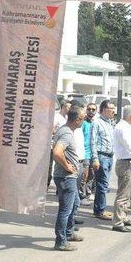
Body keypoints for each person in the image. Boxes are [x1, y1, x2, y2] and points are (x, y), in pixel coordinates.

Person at [51, 106, 85, 251]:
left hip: (68, 177)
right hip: (66, 177)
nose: (83, 121)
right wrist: (67, 166)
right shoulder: (66, 133)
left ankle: (69, 233)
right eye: (82, 118)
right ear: (77, 120)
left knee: (75, 204)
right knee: (65, 210)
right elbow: (57, 152)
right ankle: (61, 241)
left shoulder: (65, 130)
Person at [90, 100, 116, 220]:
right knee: (102, 184)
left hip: (109, 157)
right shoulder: (97, 123)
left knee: (103, 184)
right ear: (104, 110)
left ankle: (99, 209)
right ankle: (100, 211)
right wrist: (95, 159)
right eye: (111, 108)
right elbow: (93, 142)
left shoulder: (110, 123)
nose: (113, 110)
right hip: (101, 157)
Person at [80, 102, 97, 202]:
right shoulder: (83, 122)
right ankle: (82, 196)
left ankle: (88, 192)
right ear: (86, 110)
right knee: (84, 176)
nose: (91, 111)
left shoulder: (95, 123)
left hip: (93, 153)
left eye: (93, 109)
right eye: (89, 109)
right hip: (85, 152)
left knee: (92, 175)